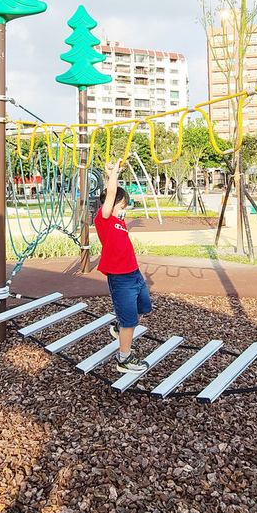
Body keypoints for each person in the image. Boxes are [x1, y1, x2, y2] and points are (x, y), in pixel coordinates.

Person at [94, 160, 152, 374]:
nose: (124, 210)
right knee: (131, 321)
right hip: (120, 277)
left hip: (134, 273)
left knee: (144, 307)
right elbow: (111, 194)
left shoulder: (118, 219)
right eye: (122, 206)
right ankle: (124, 359)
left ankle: (119, 328)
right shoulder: (104, 217)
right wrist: (113, 174)